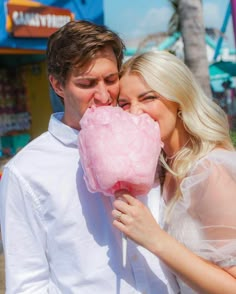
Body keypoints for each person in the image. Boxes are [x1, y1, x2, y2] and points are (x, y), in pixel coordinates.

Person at [0, 21, 178, 293]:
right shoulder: (25, 173)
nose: (104, 95)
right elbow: (27, 284)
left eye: (111, 79)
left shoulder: (149, 140)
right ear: (58, 85)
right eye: (87, 83)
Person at [112, 50, 236, 294]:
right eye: (124, 104)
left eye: (148, 98)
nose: (134, 112)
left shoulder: (209, 171)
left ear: (179, 99)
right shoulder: (161, 169)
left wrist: (155, 239)